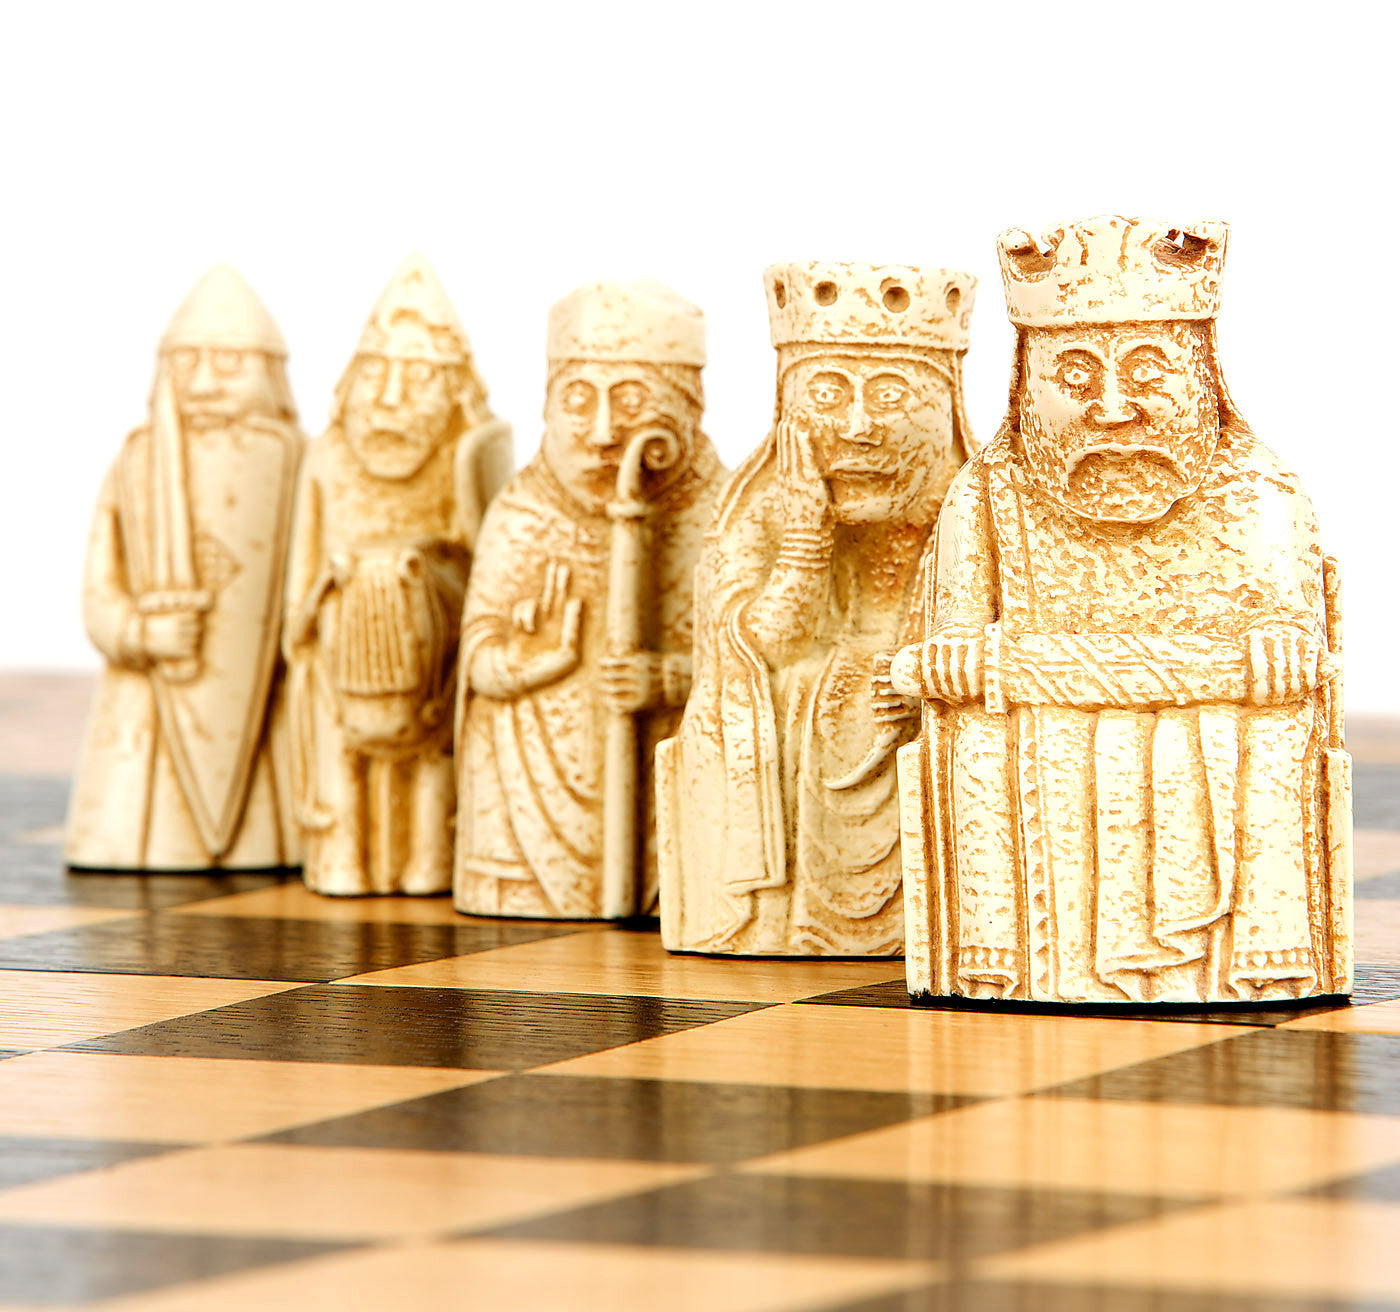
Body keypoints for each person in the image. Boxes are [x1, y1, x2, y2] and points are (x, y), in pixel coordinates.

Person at [892, 216, 1351, 1003]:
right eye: (1073, 376)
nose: (1111, 408)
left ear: (1201, 373)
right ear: (1027, 385)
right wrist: (950, 658)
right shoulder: (989, 494)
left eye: (1146, 373)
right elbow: (936, 655)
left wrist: (1276, 650)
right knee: (973, 729)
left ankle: (1260, 953)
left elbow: (1300, 650)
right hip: (1042, 725)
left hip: (1135, 710)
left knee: (1274, 724)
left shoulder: (1260, 489)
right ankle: (998, 953)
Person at [658, 262, 977, 955]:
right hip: (799, 766)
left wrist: (924, 687)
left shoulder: (974, 510)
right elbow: (749, 654)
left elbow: (991, 652)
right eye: (828, 394)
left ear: (944, 399)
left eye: (891, 394)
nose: (858, 426)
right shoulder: (760, 507)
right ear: (788, 404)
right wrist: (805, 540)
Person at [455, 280, 725, 919]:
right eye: (578, 400)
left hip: (670, 803)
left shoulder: (725, 515)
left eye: (632, 400)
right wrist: (519, 663)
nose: (605, 432)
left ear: (689, 407)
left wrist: (667, 677)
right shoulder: (521, 514)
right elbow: (476, 655)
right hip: (524, 805)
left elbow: (758, 661)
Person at [284, 253, 510, 894]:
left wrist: (423, 582)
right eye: (375, 374)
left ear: (456, 391)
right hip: (339, 663)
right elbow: (299, 582)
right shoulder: (328, 457)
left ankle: (433, 857)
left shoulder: (469, 456)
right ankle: (342, 857)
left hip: (434, 662)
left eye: (418, 378)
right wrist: (323, 607)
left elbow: (491, 574)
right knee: (339, 741)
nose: (388, 399)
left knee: (437, 748)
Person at [67, 265, 303, 870]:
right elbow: (100, 588)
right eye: (185, 362)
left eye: (228, 364)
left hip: (266, 711)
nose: (202, 382)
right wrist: (139, 634)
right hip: (148, 717)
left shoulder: (302, 461)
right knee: (145, 808)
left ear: (267, 371)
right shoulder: (135, 465)